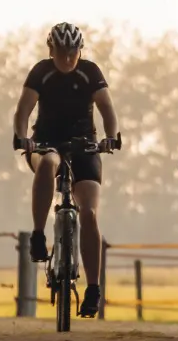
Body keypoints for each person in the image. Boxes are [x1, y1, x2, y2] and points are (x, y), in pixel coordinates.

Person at [12, 22, 119, 319]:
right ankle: (37, 234)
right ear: (52, 51)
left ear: (79, 51)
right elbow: (23, 110)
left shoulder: (90, 71)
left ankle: (94, 289)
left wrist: (112, 136)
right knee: (47, 164)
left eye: (72, 52)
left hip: (84, 145)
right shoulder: (41, 72)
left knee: (89, 213)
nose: (67, 59)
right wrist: (23, 137)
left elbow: (107, 109)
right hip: (46, 143)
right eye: (61, 52)